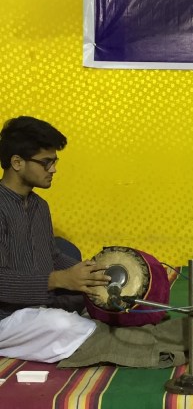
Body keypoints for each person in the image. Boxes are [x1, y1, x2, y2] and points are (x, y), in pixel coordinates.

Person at [0, 116, 111, 362]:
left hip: (36, 310)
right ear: (17, 162)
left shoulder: (40, 206)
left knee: (96, 303)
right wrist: (58, 279)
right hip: (5, 318)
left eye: (54, 161)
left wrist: (91, 274)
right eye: (46, 162)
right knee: (61, 323)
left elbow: (52, 255)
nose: (53, 169)